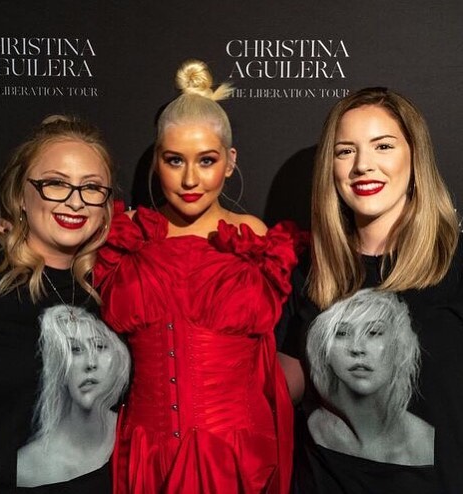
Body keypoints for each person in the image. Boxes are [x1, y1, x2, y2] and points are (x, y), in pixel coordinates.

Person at [94, 59, 306, 494]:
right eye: (174, 160)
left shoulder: (257, 241)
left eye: (206, 160)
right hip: (146, 457)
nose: (190, 179)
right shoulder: (126, 238)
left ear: (229, 161)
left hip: (237, 458)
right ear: (157, 161)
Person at [278, 87, 463, 494]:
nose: (363, 165)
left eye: (383, 146)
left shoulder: (454, 264)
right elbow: (273, 390)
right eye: (345, 151)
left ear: (415, 156)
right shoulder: (308, 269)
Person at [0, 115, 115, 493]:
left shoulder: (113, 285)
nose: (75, 201)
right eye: (55, 183)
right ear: (20, 194)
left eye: (91, 187)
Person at [307, 289, 433, 466]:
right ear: (324, 348)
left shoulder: (426, 444)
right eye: (342, 333)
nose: (357, 348)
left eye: (373, 332)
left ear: (399, 345)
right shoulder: (310, 428)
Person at [16, 305, 130, 492]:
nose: (90, 363)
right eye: (75, 349)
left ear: (120, 355)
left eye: (100, 346)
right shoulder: (26, 466)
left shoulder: (136, 439)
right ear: (57, 364)